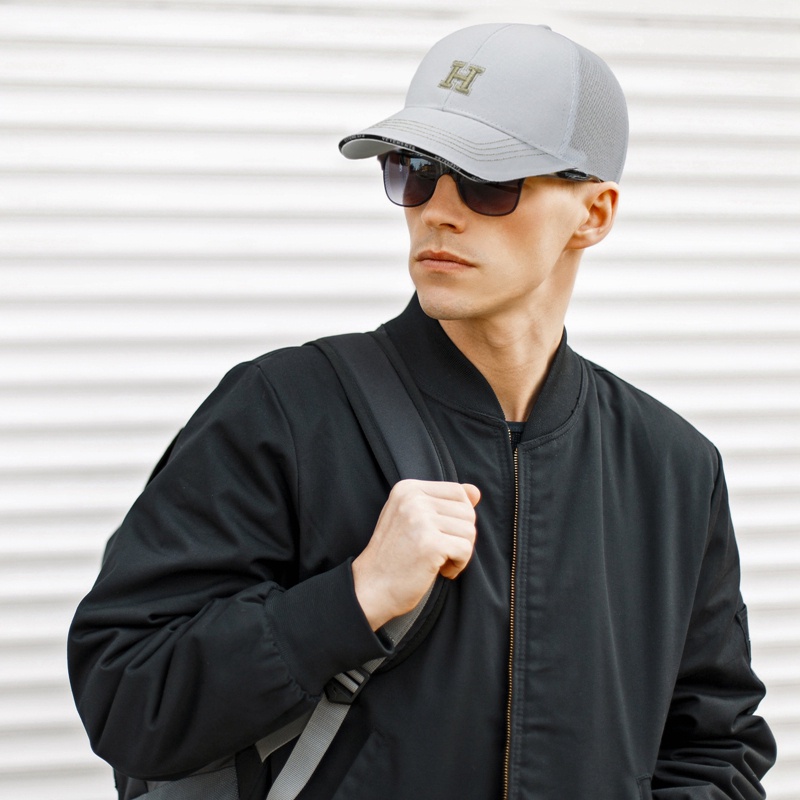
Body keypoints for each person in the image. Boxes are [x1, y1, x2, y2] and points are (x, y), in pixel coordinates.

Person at [68, 22, 776, 800]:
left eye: (488, 182)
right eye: (415, 172)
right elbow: (127, 695)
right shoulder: (285, 413)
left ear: (594, 213)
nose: (438, 211)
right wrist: (354, 597)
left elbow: (717, 747)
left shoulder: (671, 468)